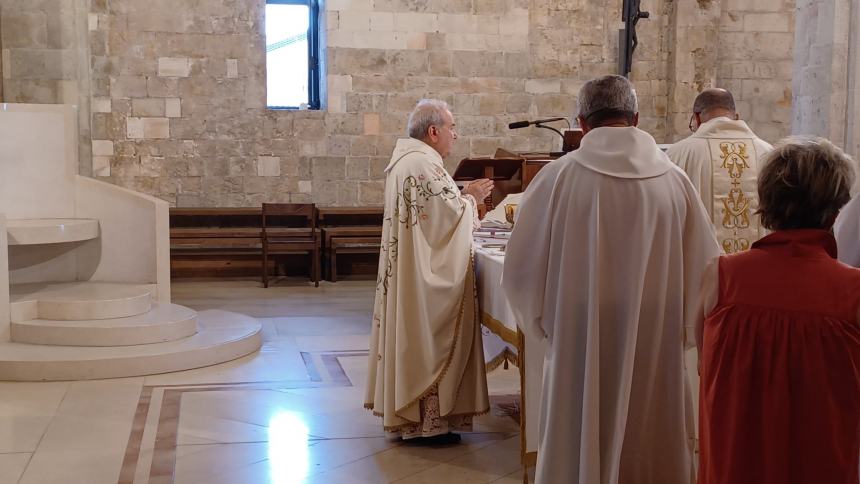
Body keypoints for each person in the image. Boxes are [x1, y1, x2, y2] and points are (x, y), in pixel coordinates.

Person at [502, 75, 719, 483]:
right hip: (655, 337)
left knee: (578, 432)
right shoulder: (675, 182)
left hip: (579, 337)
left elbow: (519, 272)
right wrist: (684, 332)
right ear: (635, 118)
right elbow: (708, 272)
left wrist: (545, 327)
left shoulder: (556, 179)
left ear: (582, 123)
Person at [698, 136, 860, 484]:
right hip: (819, 465)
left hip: (735, 464)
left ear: (766, 201)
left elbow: (705, 366)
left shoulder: (720, 276)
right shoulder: (853, 292)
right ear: (835, 210)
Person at [364, 99, 494, 444]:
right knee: (428, 336)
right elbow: (446, 220)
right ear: (433, 131)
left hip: (412, 270)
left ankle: (418, 420)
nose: (456, 134)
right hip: (423, 277)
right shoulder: (423, 165)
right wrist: (471, 197)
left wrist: (462, 198)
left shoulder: (408, 161)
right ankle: (429, 425)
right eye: (452, 127)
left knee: (415, 337)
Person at [666, 88, 772, 253]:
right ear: (736, 116)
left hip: (700, 270)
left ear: (697, 117)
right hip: (756, 271)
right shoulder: (768, 153)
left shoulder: (678, 154)